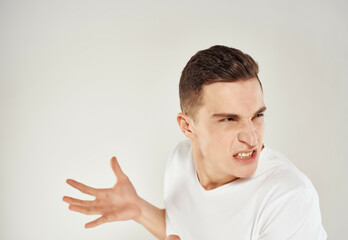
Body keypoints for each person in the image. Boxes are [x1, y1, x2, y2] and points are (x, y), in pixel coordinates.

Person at [63, 45, 327, 240]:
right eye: (229, 119)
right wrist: (139, 210)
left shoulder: (288, 197)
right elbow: (183, 229)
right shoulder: (180, 160)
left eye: (257, 115)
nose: (252, 137)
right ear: (187, 126)